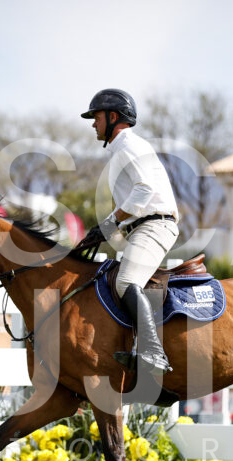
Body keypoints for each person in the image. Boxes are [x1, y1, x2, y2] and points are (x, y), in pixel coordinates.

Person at [76, 88, 179, 375]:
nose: (93, 124)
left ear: (113, 117)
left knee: (126, 282)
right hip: (140, 227)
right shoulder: (121, 148)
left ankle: (154, 352)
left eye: (96, 117)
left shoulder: (129, 145)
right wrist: (105, 229)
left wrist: (109, 223)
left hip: (155, 225)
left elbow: (144, 190)